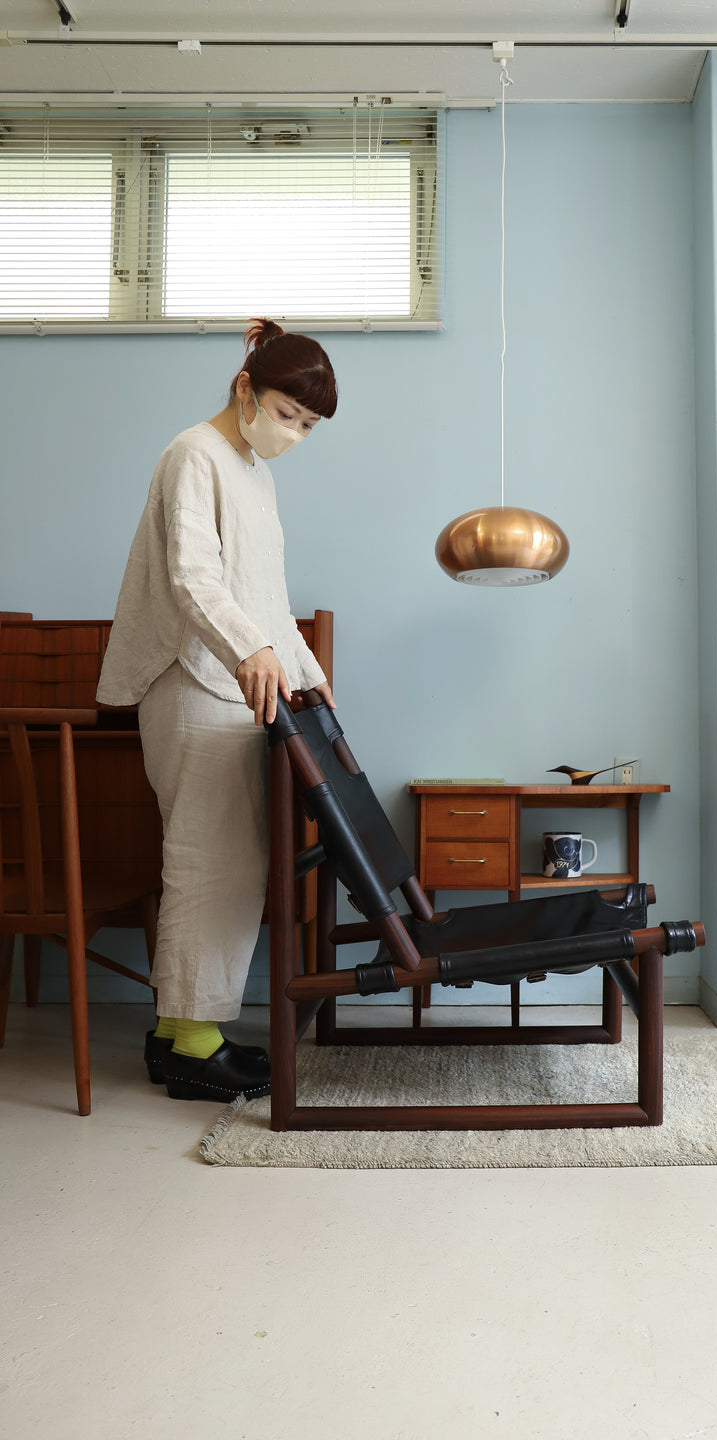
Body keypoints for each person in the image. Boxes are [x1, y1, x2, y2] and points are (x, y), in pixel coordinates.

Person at [97, 319, 337, 1101]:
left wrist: (306, 668)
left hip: (242, 687)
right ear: (245, 390)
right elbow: (194, 576)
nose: (295, 436)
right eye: (287, 415)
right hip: (194, 679)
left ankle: (180, 1037)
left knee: (233, 862)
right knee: (208, 861)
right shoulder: (192, 454)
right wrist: (250, 649)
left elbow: (268, 595)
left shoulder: (252, 472)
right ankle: (193, 1047)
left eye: (308, 427)